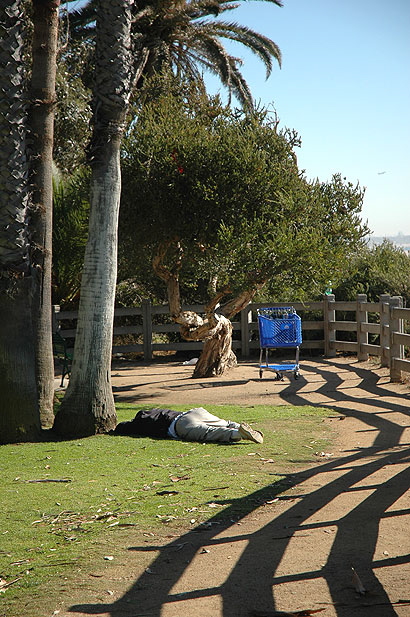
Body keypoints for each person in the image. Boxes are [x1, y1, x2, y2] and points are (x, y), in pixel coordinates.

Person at [112, 407, 264, 444]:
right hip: (194, 412)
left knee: (210, 433)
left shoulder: (139, 423)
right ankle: (239, 426)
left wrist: (112, 431)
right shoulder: (157, 411)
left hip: (181, 425)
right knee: (223, 422)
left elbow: (123, 427)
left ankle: (239, 434)